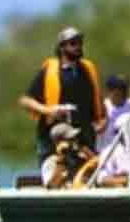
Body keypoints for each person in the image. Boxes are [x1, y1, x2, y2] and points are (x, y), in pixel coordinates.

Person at [18, 27, 107, 161]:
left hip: (84, 137)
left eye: (79, 42)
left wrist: (103, 121)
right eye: (72, 43)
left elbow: (98, 102)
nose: (78, 46)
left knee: (86, 175)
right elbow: (25, 101)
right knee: (56, 175)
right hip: (53, 136)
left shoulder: (88, 69)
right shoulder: (50, 70)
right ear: (61, 47)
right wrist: (48, 110)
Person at [40, 122, 95, 190]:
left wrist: (84, 149)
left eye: (75, 138)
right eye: (70, 139)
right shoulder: (50, 162)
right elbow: (51, 187)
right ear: (57, 143)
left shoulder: (81, 156)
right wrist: (61, 159)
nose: (74, 142)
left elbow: (99, 164)